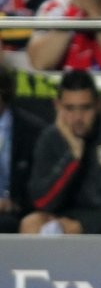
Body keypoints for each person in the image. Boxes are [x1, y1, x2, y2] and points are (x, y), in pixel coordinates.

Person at [21, 69, 101, 235]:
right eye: (69, 108)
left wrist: (85, 225)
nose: (77, 118)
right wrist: (73, 156)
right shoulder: (50, 138)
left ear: (98, 105)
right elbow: (41, 201)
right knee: (31, 223)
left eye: (85, 108)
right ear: (57, 106)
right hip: (65, 218)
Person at [0, 65, 47, 234]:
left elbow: (39, 184)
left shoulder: (33, 131)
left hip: (14, 212)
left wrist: (12, 202)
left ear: (3, 92)